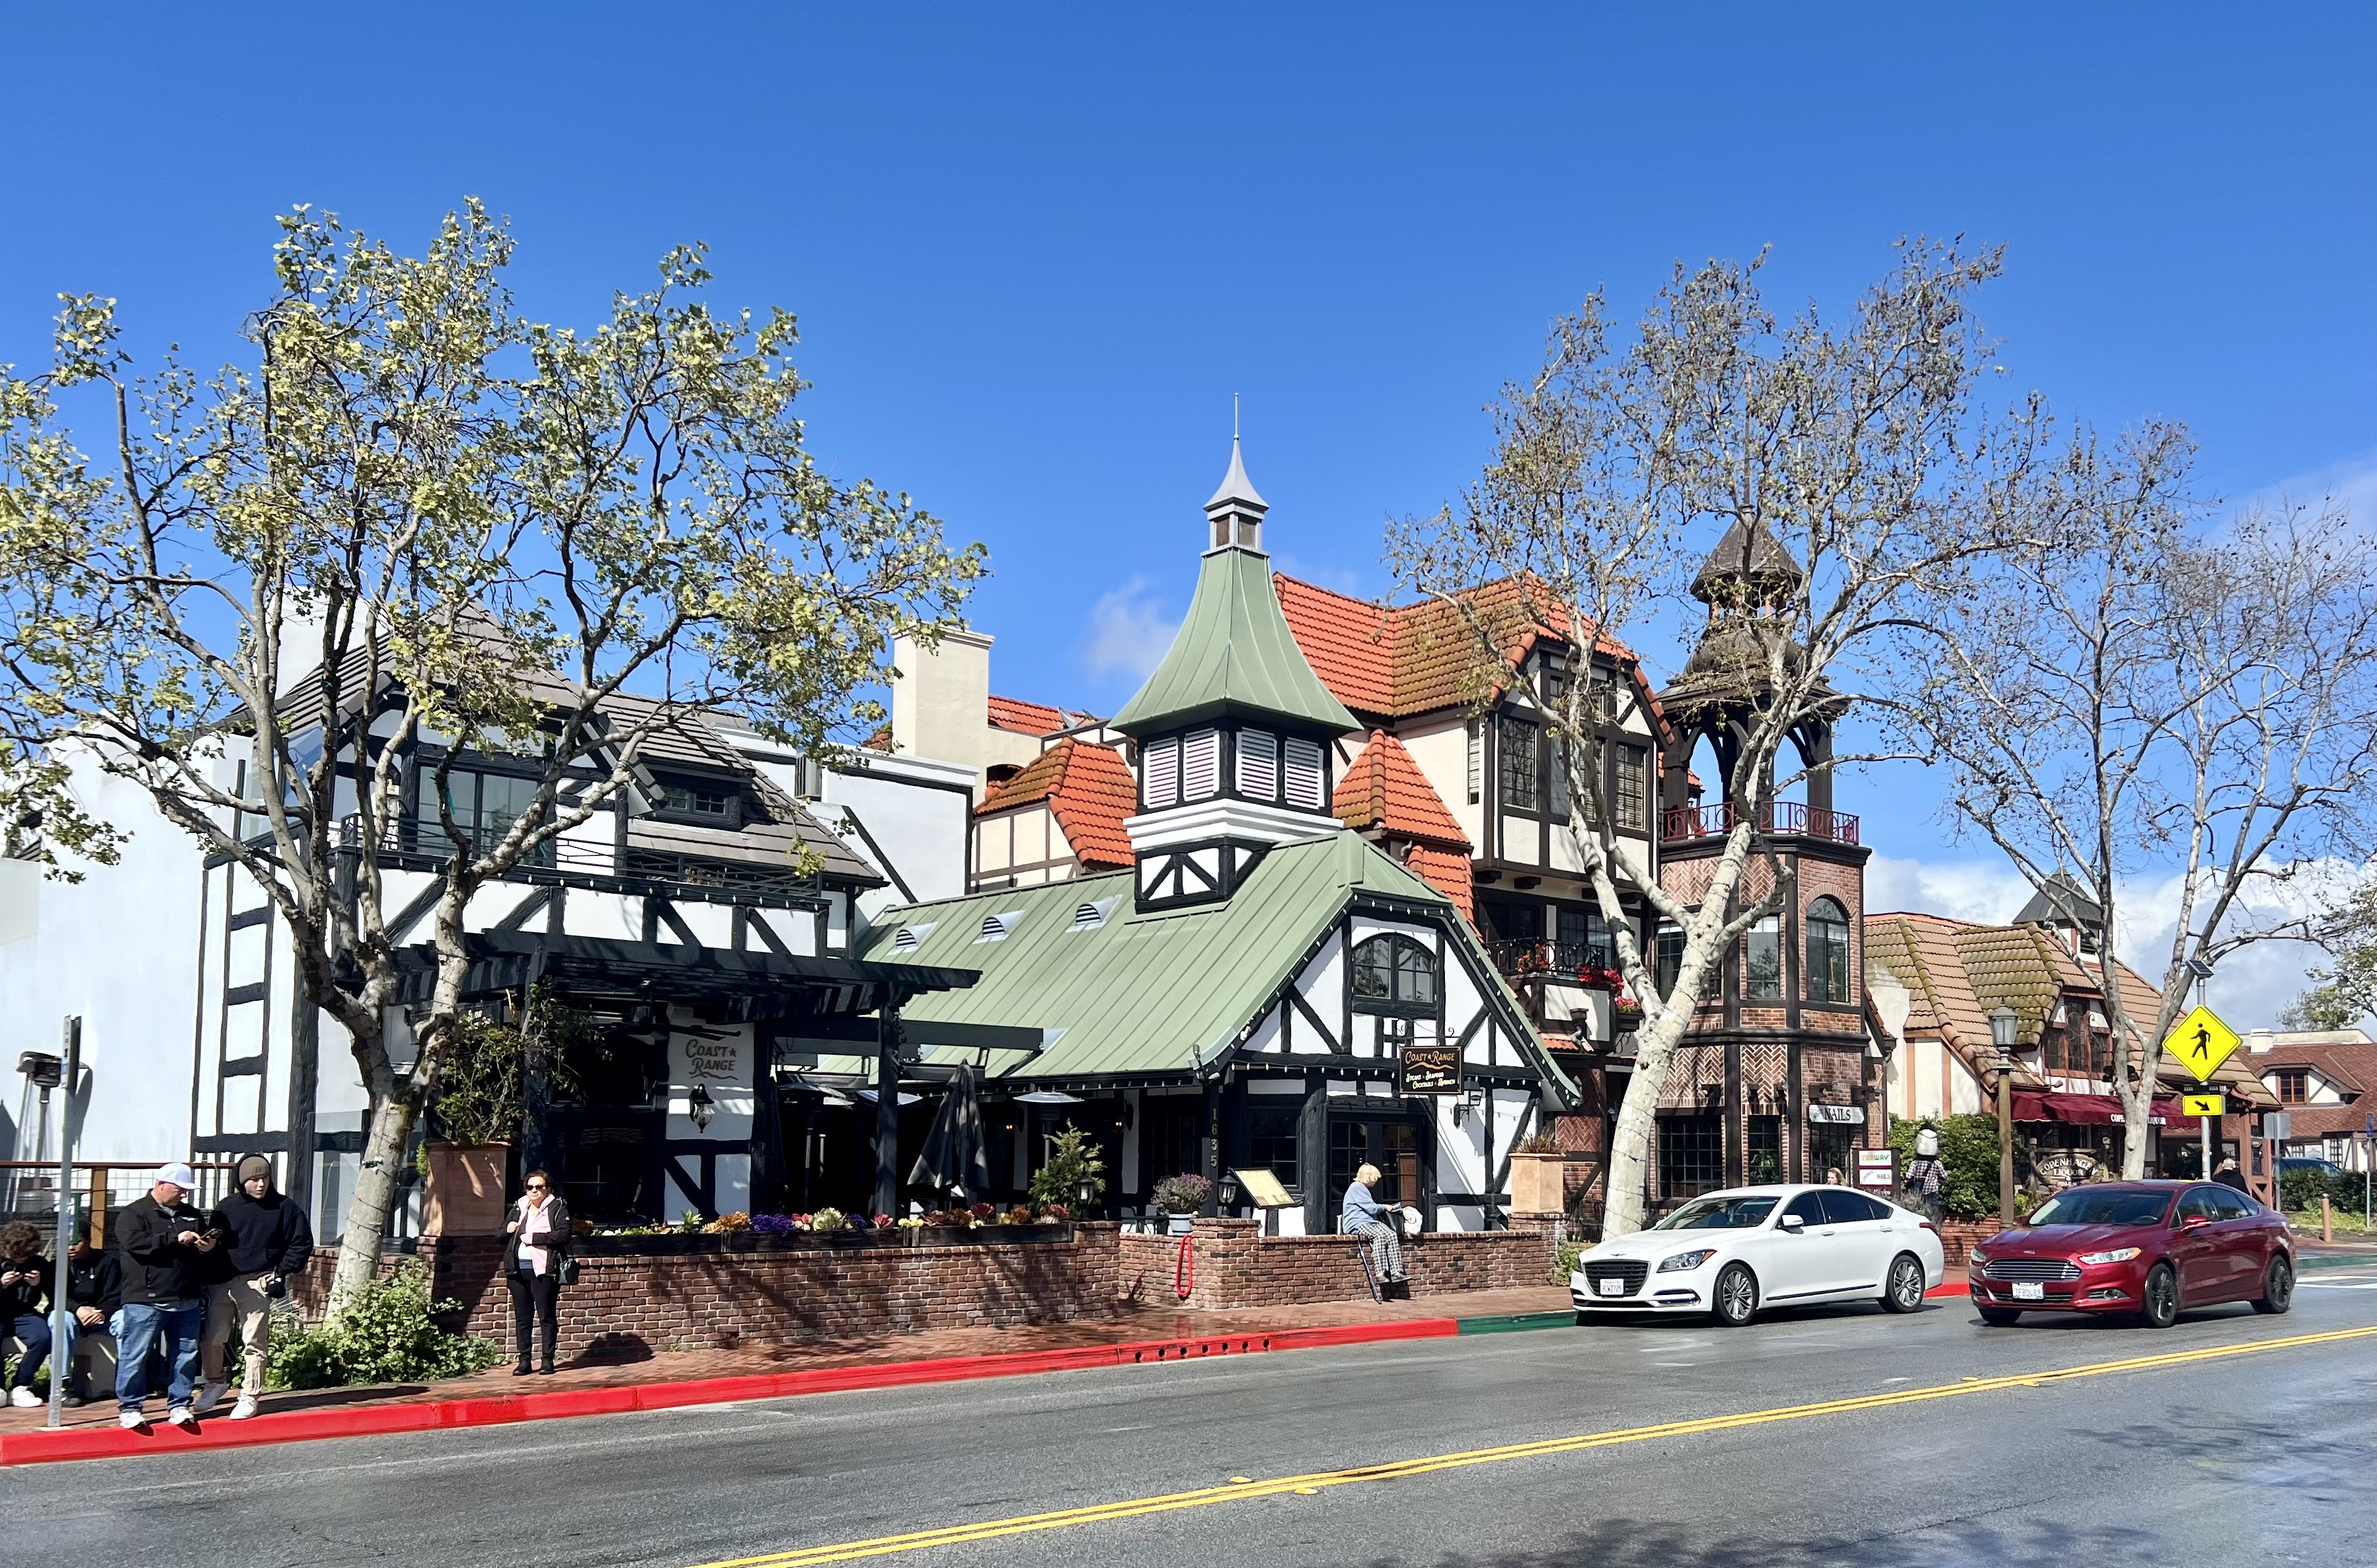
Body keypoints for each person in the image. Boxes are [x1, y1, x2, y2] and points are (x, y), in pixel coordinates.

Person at [199, 1154, 314, 1421]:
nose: (260, 1184)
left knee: (254, 1341)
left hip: (259, 1280)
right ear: (242, 1182)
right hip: (223, 1280)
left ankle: (250, 1395)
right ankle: (215, 1382)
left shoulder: (285, 1208)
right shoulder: (226, 1207)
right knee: (212, 1338)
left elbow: (301, 1243)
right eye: (253, 1179)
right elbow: (216, 1243)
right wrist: (207, 1249)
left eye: (264, 1178)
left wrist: (281, 1272)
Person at [114, 1161, 221, 1430]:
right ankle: (130, 1407)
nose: (184, 1195)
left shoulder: (192, 1214)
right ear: (161, 1184)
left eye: (186, 1190)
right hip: (145, 1299)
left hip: (186, 1297)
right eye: (180, 1189)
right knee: (135, 1354)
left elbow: (196, 1252)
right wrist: (175, 1237)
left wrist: (205, 1248)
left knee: (185, 1354)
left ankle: (179, 1405)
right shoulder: (133, 1213)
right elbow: (136, 1245)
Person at [503, 1171, 572, 1376]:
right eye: (530, 1187)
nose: (534, 1190)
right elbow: (500, 1234)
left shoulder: (557, 1207)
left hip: (543, 1270)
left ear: (548, 1189)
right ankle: (524, 1360)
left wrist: (534, 1238)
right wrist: (508, 1228)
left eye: (539, 1187)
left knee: (546, 1316)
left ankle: (547, 1360)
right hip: (517, 1269)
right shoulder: (520, 1206)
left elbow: (563, 1234)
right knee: (523, 1318)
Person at [63, 1220, 122, 1407]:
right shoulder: (58, 1266)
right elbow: (56, 1297)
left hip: (104, 1315)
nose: (71, 1248)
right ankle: (63, 1383)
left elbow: (118, 1294)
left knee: (126, 1320)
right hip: (74, 1315)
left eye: (76, 1242)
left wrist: (103, 1312)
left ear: (88, 1240)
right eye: (65, 1243)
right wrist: (78, 1309)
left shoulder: (108, 1261)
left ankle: (128, 1381)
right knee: (60, 1319)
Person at [1, 1221, 53, 1409]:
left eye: (26, 1254)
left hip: (24, 1313)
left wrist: (38, 1283)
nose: (21, 1259)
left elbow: (52, 1292)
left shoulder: (39, 1264)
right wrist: (2, 1284)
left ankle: (22, 1385)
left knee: (43, 1337)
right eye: (17, 1255)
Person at [1341, 1163, 1409, 1289]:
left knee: (1391, 1234)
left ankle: (1396, 1272)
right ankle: (1380, 1273)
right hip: (1358, 1222)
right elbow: (1371, 1208)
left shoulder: (1362, 1189)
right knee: (1380, 1236)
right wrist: (1385, 1207)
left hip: (1370, 1221)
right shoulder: (1357, 1187)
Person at [1904, 1124, 1948, 1223]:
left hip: (1918, 1194)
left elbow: (1908, 1177)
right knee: (1934, 1217)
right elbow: (1945, 1177)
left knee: (1918, 1217)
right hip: (1932, 1194)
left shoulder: (1915, 1163)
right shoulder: (1937, 1163)